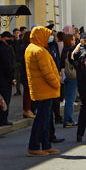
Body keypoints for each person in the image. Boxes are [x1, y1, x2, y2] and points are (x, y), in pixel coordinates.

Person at [25, 26, 61, 157]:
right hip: (45, 89)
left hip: (40, 89)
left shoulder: (31, 48)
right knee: (41, 119)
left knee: (45, 119)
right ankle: (34, 146)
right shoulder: (39, 51)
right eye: (48, 35)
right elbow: (47, 72)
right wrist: (57, 83)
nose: (50, 37)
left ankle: (46, 145)